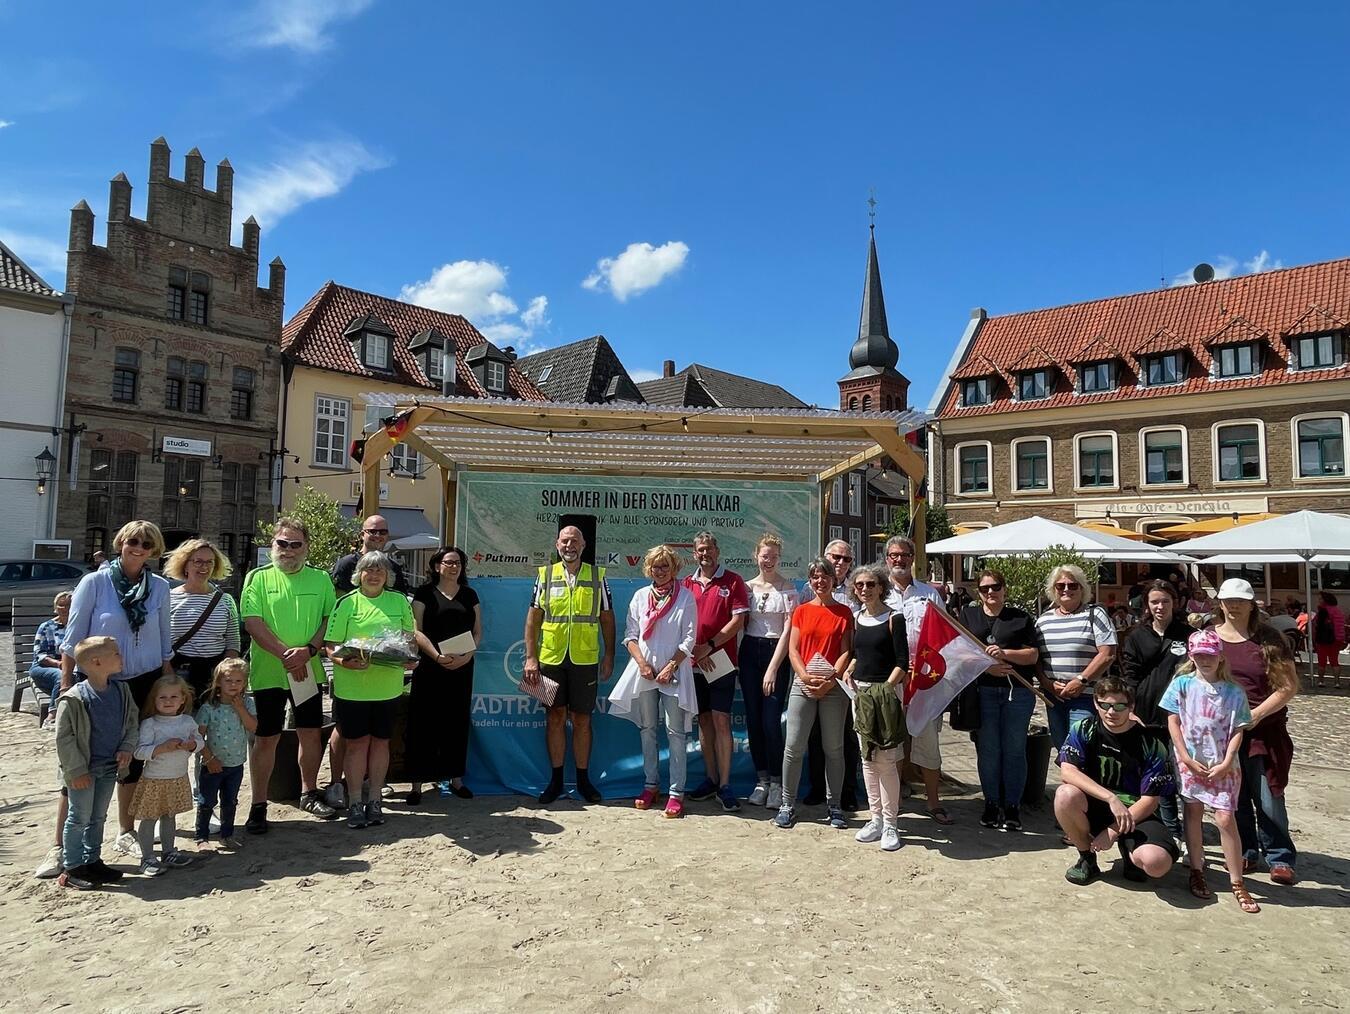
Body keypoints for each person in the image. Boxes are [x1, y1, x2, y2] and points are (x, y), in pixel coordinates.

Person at [60, 520, 175, 860]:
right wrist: (66, 686)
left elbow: (164, 637)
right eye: (132, 541)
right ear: (121, 543)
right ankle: (63, 844)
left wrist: (167, 679)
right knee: (84, 758)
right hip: (99, 682)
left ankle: (125, 829)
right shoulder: (94, 583)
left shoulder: (159, 587)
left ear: (153, 551)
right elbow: (73, 639)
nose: (138, 548)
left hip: (145, 678)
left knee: (134, 756)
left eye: (146, 544)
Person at [240, 518, 339, 833]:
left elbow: (329, 621)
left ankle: (309, 792)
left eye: (296, 544)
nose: (289, 550)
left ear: (306, 548)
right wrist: (287, 655)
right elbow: (253, 623)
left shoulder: (321, 579)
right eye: (283, 543)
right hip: (270, 673)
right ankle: (258, 805)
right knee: (266, 739)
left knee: (309, 733)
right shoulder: (257, 578)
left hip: (308, 671)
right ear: (273, 545)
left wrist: (307, 652)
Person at [1160, 630, 1259, 913]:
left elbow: (1239, 728)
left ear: (1219, 657)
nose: (1205, 659)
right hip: (1191, 762)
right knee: (1192, 812)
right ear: (1191, 656)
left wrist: (1228, 760)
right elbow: (1173, 722)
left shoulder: (1234, 691)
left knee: (1226, 818)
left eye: (1210, 655)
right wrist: (1184, 757)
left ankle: (1237, 880)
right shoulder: (1181, 685)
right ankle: (1197, 867)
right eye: (1199, 654)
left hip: (1223, 764)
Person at [1213, 578, 1300, 885]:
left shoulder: (1269, 639)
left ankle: (1280, 857)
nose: (1234, 605)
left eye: (1240, 600)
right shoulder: (1210, 638)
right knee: (1235, 798)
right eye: (1228, 600)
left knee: (1268, 797)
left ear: (1252, 603)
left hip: (1264, 732)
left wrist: (1255, 714)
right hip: (1223, 734)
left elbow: (1288, 687)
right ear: (1220, 603)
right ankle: (1246, 851)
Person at [1053, 677, 1180, 885]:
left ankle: (1130, 852)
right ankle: (1086, 858)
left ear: (1131, 706)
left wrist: (1112, 831)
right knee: (1064, 794)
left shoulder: (1151, 743)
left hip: (1136, 812)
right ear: (1096, 703)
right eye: (1105, 705)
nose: (1112, 712)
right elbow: (1067, 771)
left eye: (1120, 706)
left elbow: (1150, 801)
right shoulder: (1083, 728)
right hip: (1095, 805)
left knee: (1156, 864)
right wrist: (1110, 798)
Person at [523, 525, 616, 805]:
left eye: (575, 540)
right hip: (549, 659)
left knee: (582, 720)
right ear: (557, 544)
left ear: (584, 544)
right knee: (553, 717)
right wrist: (531, 657)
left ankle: (584, 780)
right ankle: (555, 781)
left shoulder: (597, 575)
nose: (569, 545)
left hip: (585, 660)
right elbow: (533, 620)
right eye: (565, 541)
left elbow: (607, 618)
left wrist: (609, 654)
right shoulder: (545, 574)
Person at [325, 551, 416, 829]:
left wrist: (409, 656)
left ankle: (375, 800)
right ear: (358, 575)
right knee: (356, 745)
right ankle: (354, 802)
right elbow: (331, 645)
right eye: (368, 570)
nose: (374, 575)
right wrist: (344, 661)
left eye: (380, 571)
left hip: (388, 687)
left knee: (380, 743)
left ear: (387, 576)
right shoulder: (346, 603)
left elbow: (409, 640)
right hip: (353, 688)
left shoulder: (399, 601)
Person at [608, 545, 699, 818]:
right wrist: (643, 664)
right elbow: (631, 635)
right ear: (648, 569)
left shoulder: (685, 598)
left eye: (665, 566)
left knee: (675, 733)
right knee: (647, 729)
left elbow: (689, 638)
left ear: (674, 569)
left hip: (674, 674)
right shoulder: (639, 597)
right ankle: (650, 785)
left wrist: (671, 666)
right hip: (645, 673)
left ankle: (675, 792)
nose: (659, 571)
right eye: (655, 566)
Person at [53, 636, 138, 890]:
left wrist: (126, 748)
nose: (121, 657)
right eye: (116, 653)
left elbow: (132, 721)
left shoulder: (121, 691)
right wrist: (76, 770)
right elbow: (64, 739)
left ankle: (92, 860)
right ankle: (72, 866)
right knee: (78, 817)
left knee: (98, 816)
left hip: (109, 767)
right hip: (83, 770)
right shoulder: (74, 698)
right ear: (96, 662)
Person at [775, 557, 854, 830]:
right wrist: (805, 677)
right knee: (793, 747)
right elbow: (793, 649)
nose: (820, 581)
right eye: (815, 577)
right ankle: (787, 804)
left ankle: (835, 806)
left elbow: (846, 651)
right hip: (803, 685)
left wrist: (831, 679)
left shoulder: (845, 613)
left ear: (834, 579)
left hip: (833, 689)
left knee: (834, 748)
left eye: (825, 576)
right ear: (810, 581)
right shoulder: (801, 611)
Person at [960, 568, 1040, 832]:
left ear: (1004, 589)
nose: (990, 592)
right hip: (983, 692)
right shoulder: (968, 615)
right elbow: (960, 652)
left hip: (1017, 692)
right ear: (978, 592)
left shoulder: (1020, 618)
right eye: (984, 589)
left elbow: (1032, 655)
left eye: (995, 587)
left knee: (1015, 750)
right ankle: (992, 803)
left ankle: (1013, 805)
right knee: (989, 750)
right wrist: (986, 667)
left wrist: (1005, 654)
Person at [884, 535, 951, 826]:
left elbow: (945, 633)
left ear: (913, 558)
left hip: (924, 681)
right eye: (894, 555)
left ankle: (934, 802)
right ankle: (894, 803)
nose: (899, 560)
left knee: (927, 745)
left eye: (904, 555)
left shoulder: (929, 594)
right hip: (889, 680)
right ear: (886, 558)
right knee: (892, 744)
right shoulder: (877, 591)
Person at [1119, 579, 1193, 843]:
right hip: (1146, 714)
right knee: (1155, 775)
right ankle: (1167, 831)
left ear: (1176, 603)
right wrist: (1129, 709)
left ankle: (1182, 830)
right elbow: (1129, 676)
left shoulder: (1188, 635)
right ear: (1147, 605)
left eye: (1165, 601)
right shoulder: (1137, 636)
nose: (1160, 607)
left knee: (1179, 775)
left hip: (1179, 717)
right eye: (1155, 602)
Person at [682, 532, 750, 812]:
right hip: (693, 663)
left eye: (709, 549)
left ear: (717, 551)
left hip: (720, 661)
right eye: (700, 550)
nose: (704, 554)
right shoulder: (686, 583)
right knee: (704, 722)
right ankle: (710, 779)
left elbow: (738, 621)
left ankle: (725, 785)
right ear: (694, 553)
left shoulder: (733, 581)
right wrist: (694, 650)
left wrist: (709, 646)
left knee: (722, 722)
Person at [409, 547, 481, 804]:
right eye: (449, 562)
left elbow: (477, 631)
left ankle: (456, 779)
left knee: (456, 722)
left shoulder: (470, 594)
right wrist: (436, 656)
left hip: (462, 667)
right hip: (430, 667)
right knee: (423, 723)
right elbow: (416, 631)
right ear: (437, 566)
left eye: (458, 563)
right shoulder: (424, 593)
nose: (454, 567)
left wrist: (467, 656)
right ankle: (417, 783)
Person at [845, 562, 908, 851]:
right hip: (861, 695)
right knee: (868, 760)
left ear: (881, 586)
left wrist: (886, 689)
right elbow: (861, 653)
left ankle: (892, 823)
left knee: (886, 762)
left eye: (871, 584)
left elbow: (902, 663)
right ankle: (875, 819)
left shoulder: (895, 618)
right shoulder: (857, 618)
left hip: (886, 696)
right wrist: (850, 667)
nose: (865, 589)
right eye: (860, 585)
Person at [740, 534, 799, 809]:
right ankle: (761, 780)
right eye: (765, 555)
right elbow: (739, 623)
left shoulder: (788, 590)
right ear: (756, 556)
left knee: (771, 722)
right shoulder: (746, 587)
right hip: (750, 652)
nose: (769, 561)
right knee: (753, 720)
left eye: (774, 556)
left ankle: (778, 783)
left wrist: (773, 668)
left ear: (779, 558)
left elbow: (788, 631)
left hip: (777, 654)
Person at [802, 539, 861, 810]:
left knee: (846, 737)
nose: (840, 563)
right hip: (813, 672)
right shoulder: (807, 590)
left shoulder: (858, 589)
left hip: (848, 672)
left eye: (846, 559)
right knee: (815, 735)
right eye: (835, 557)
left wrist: (847, 667)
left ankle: (846, 792)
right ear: (825, 557)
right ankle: (817, 788)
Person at [1035, 564, 1117, 750]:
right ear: (1053, 590)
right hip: (1054, 697)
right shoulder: (1043, 620)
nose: (1066, 589)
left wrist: (1081, 680)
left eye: (1073, 585)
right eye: (1060, 586)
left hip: (1085, 695)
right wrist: (1046, 683)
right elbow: (1036, 657)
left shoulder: (1095, 615)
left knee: (1081, 747)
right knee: (1061, 748)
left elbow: (1108, 653)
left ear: (1082, 589)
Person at [129, 674, 203, 876]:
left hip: (178, 778)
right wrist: (160, 748)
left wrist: (193, 745)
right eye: (163, 697)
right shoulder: (150, 724)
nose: (168, 701)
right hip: (155, 780)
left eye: (173, 697)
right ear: (154, 700)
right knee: (149, 818)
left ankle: (169, 851)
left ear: (183, 700)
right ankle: (147, 857)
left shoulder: (187, 722)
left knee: (169, 816)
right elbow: (139, 751)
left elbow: (200, 742)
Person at [164, 539, 241, 704]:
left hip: (214, 676)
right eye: (198, 562)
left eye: (209, 562)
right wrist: (169, 675)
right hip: (178, 674)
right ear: (185, 564)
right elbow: (159, 641)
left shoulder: (226, 601)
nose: (204, 567)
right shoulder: (168, 598)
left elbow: (233, 642)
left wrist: (225, 676)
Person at [194, 658, 257, 847]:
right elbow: (198, 737)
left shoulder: (247, 703)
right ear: (219, 682)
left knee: (230, 801)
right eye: (228, 680)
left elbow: (253, 726)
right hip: (212, 764)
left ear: (245, 683)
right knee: (207, 801)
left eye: (238, 681)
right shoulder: (209, 707)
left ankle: (227, 834)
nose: (233, 685)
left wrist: (240, 708)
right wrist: (209, 758)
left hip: (236, 764)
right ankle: (201, 836)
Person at [30, 590, 72, 723]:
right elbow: (40, 655)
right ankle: (53, 714)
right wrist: (59, 664)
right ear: (55, 608)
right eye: (61, 605)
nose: (65, 608)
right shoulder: (46, 627)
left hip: (71, 666)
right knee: (62, 676)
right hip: (44, 666)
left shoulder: (78, 626)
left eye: (69, 605)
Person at [1312, 591, 1345, 688]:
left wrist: (1314, 638)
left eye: (1320, 599)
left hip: (1323, 640)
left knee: (1322, 661)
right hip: (1335, 640)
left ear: (1325, 600)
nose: (1319, 600)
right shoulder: (1338, 611)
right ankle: (1337, 682)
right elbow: (1340, 626)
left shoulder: (1323, 611)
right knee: (1334, 661)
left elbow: (1316, 625)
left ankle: (1321, 681)